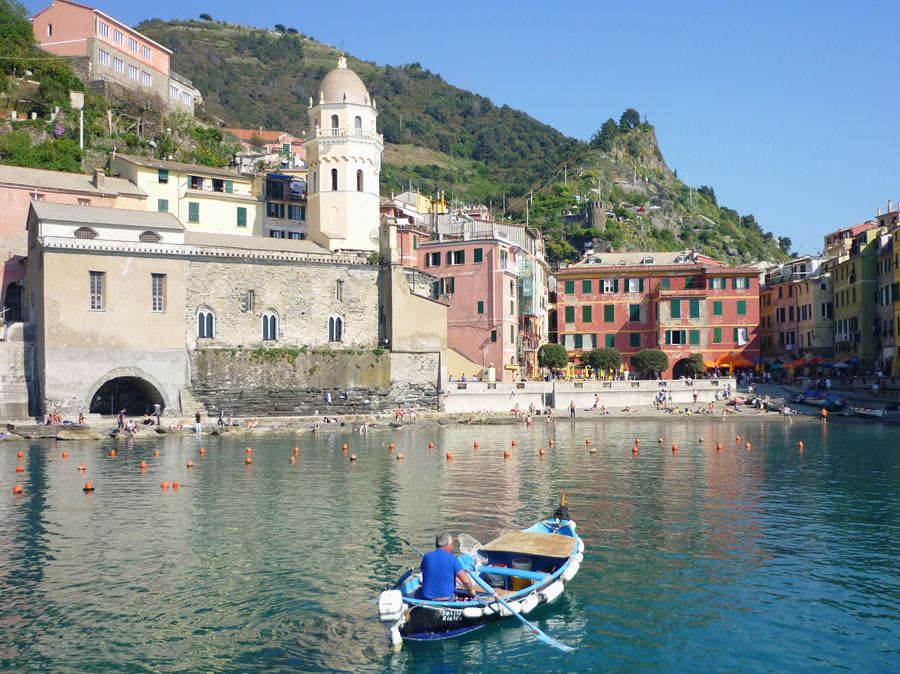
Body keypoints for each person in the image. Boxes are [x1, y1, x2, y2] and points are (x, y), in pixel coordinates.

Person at [420, 533, 478, 601]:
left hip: (427, 598)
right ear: (448, 544)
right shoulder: (453, 559)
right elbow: (466, 581)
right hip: (446, 598)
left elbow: (425, 571)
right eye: (452, 544)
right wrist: (470, 590)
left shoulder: (427, 556)